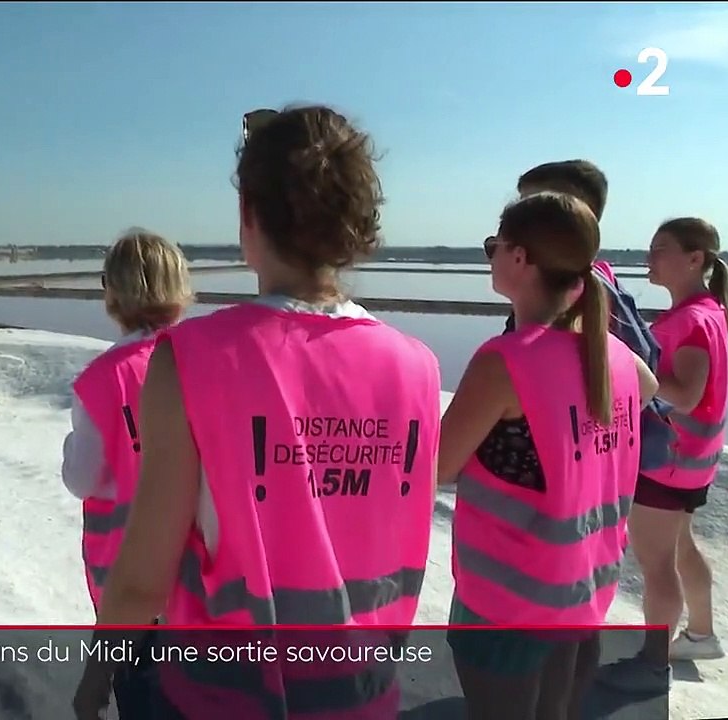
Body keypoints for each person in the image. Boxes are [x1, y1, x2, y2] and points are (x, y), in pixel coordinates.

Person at [73, 105, 441, 720]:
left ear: (249, 214)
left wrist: (96, 674)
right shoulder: (418, 366)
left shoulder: (190, 358)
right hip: (362, 687)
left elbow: (142, 575)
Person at [440, 192, 655, 720]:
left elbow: (437, 467)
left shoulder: (507, 360)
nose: (490, 256)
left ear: (519, 257)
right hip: (584, 590)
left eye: (494, 246)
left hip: (507, 603)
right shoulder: (614, 354)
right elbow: (647, 389)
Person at [595, 217, 728, 692]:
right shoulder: (708, 309)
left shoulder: (691, 320)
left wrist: (628, 364)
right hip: (695, 457)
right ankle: (701, 634)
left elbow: (687, 394)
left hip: (669, 460)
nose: (649, 256)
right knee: (679, 546)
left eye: (660, 249)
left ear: (694, 259)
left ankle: (654, 663)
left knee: (657, 564)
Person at [62, 227, 193, 717]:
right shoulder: (210, 362)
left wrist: (70, 447)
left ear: (112, 291)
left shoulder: (105, 377)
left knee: (144, 694)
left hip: (129, 583)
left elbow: (84, 477)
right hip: (211, 581)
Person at [502, 160, 677, 473]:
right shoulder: (598, 280)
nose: (516, 219)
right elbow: (645, 381)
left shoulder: (565, 296)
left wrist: (574, 446)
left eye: (533, 207)